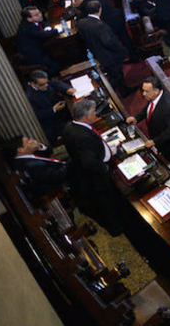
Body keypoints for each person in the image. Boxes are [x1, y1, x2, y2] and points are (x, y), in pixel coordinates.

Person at [62, 99, 123, 236]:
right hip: (97, 179)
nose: (96, 114)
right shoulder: (83, 137)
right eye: (94, 112)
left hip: (82, 173)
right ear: (86, 116)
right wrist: (105, 169)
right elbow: (89, 163)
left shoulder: (69, 127)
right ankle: (115, 229)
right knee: (106, 203)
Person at [127, 77, 170, 178]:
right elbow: (148, 109)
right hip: (160, 139)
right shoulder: (154, 97)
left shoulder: (169, 106)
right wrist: (136, 118)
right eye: (143, 90)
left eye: (146, 91)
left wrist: (154, 141)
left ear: (156, 91)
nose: (143, 94)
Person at [77, 1, 131, 95]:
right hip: (109, 56)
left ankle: (124, 90)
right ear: (100, 10)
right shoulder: (100, 26)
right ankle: (105, 93)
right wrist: (122, 50)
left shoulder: (81, 22)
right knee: (117, 75)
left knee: (114, 74)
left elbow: (82, 37)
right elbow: (109, 42)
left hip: (96, 54)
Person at [3, 135, 68, 198]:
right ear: (20, 150)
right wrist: (71, 163)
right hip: (64, 183)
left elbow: (49, 151)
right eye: (28, 141)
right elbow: (57, 176)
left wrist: (39, 146)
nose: (31, 139)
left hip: (63, 168)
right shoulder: (30, 165)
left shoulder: (25, 157)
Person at [24, 70, 73, 145]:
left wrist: (67, 89)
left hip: (63, 111)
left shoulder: (44, 83)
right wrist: (53, 109)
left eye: (46, 82)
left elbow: (55, 84)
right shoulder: (29, 96)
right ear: (33, 84)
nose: (47, 85)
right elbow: (36, 115)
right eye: (43, 84)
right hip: (52, 122)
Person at [16, 6, 62, 74]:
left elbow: (46, 24)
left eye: (39, 12)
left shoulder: (37, 20)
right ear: (29, 19)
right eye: (36, 15)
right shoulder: (27, 27)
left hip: (42, 48)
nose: (40, 15)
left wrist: (48, 29)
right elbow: (44, 35)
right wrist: (58, 30)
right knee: (57, 65)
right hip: (34, 55)